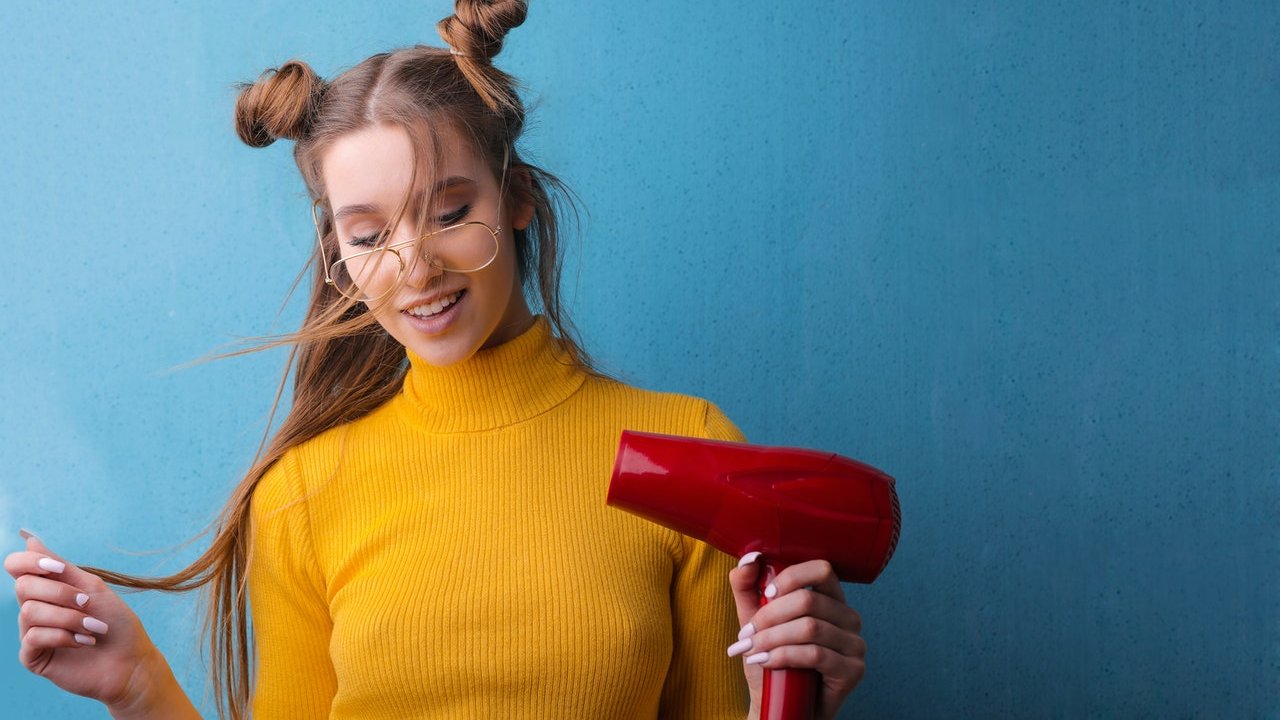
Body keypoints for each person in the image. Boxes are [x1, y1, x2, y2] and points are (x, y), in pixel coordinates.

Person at [5, 2, 867, 718]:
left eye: (450, 212)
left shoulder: (694, 445)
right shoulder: (304, 494)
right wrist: (140, 690)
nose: (413, 267)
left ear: (518, 196)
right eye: (370, 234)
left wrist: (783, 699)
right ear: (337, 251)